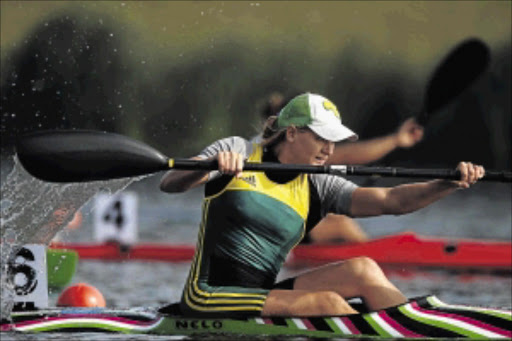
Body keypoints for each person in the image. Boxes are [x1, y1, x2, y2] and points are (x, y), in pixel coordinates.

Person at [160, 93, 484, 317]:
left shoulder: (318, 183)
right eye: (321, 138)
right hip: (208, 295)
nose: (329, 150)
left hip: (259, 294)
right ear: (291, 133)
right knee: (327, 303)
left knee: (364, 268)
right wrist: (211, 165)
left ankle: (415, 328)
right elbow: (170, 183)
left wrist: (448, 184)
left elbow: (391, 200)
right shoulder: (239, 151)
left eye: (333, 141)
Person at [255, 92, 424, 243]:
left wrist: (396, 140)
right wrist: (395, 140)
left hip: (280, 224)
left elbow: (349, 155)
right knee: (341, 226)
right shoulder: (258, 149)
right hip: (266, 230)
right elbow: (347, 156)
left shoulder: (294, 147)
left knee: (336, 219)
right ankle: (379, 256)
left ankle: (370, 253)